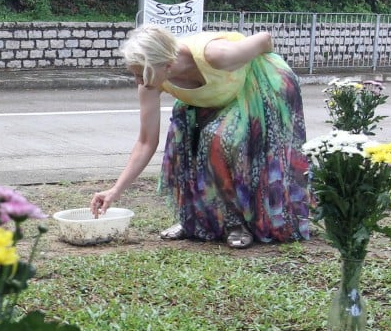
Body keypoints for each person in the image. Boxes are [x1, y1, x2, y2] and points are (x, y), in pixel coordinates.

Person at [90, 24, 310, 249]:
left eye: (142, 74)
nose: (138, 81)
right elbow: (146, 141)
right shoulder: (150, 84)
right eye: (135, 74)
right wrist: (115, 190)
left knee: (217, 138)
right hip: (214, 98)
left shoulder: (216, 55)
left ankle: (237, 223)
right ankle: (196, 220)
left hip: (258, 86)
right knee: (183, 132)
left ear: (167, 64)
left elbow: (265, 39)